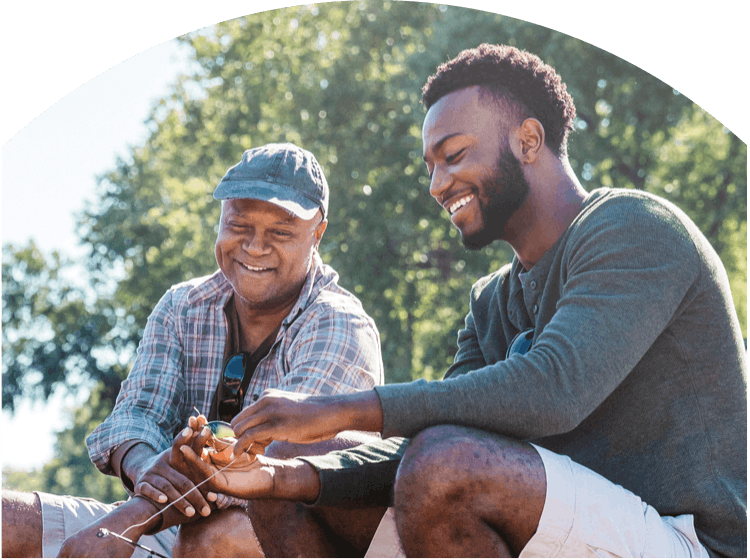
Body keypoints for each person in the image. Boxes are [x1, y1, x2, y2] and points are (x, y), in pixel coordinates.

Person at [174, 45, 747, 559]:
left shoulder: (632, 227)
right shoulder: (491, 301)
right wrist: (277, 475)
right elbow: (421, 445)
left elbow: (554, 390)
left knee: (445, 466)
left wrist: (340, 406)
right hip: (546, 527)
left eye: (452, 154)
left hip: (681, 540)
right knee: (308, 474)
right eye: (429, 166)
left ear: (527, 140)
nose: (436, 184)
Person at [1, 143, 385, 559]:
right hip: (171, 518)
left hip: (282, 535)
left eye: (280, 231)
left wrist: (132, 518)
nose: (255, 247)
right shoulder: (183, 305)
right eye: (239, 225)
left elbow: (265, 464)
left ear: (318, 234)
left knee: (214, 540)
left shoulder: (340, 324)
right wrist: (148, 467)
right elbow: (134, 415)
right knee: (7, 518)